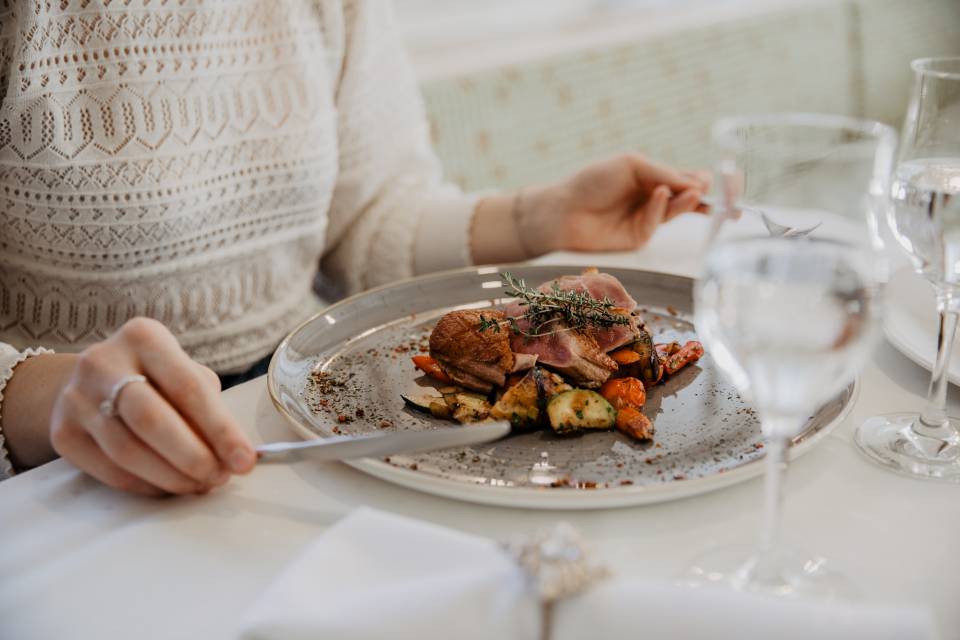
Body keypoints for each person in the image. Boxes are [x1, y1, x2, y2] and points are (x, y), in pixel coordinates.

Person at [0, 0, 710, 495]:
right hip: (57, 480)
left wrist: (535, 219)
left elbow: (365, 220)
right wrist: (41, 398)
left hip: (294, 427)